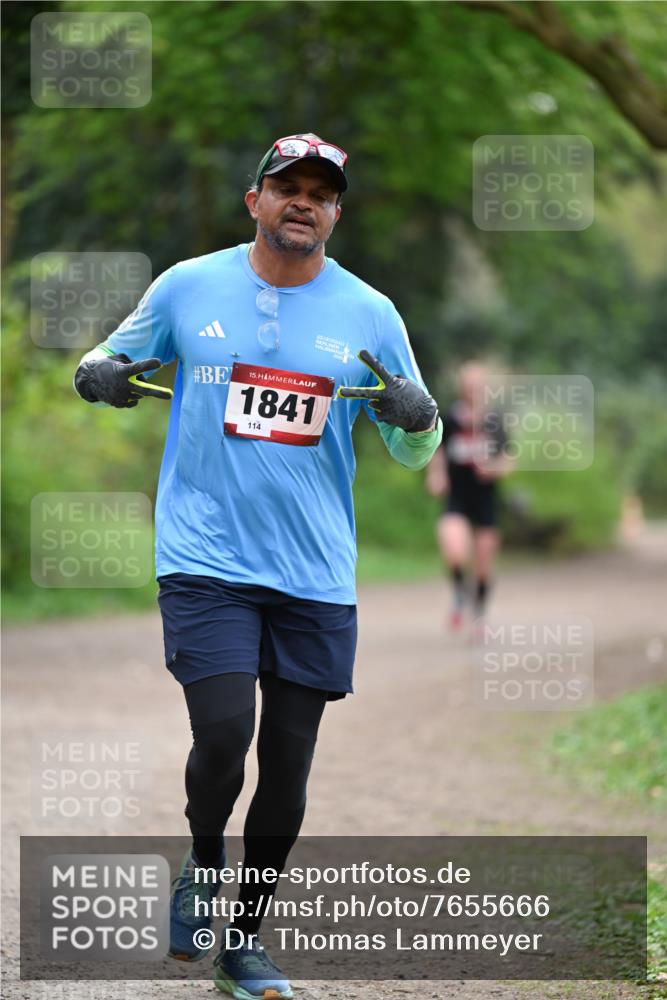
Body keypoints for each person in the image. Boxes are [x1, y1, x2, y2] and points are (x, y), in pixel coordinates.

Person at [73, 133, 442, 1000]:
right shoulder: (188, 285)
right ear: (255, 201)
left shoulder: (370, 313)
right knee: (225, 729)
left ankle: (243, 945)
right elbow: (108, 357)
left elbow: (411, 445)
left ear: (337, 213)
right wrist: (100, 376)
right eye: (287, 187)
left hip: (313, 570)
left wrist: (417, 416)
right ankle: (203, 860)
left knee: (288, 764)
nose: (302, 202)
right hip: (204, 554)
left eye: (321, 192)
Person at [426, 362, 511, 632]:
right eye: (468, 385)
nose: (473, 390)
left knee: (484, 562)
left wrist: (493, 469)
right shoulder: (450, 418)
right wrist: (437, 474)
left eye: (478, 385)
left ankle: (480, 613)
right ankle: (460, 595)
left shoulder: (494, 422)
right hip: (457, 496)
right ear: (462, 387)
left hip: (485, 499)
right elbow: (437, 450)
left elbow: (509, 459)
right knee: (453, 547)